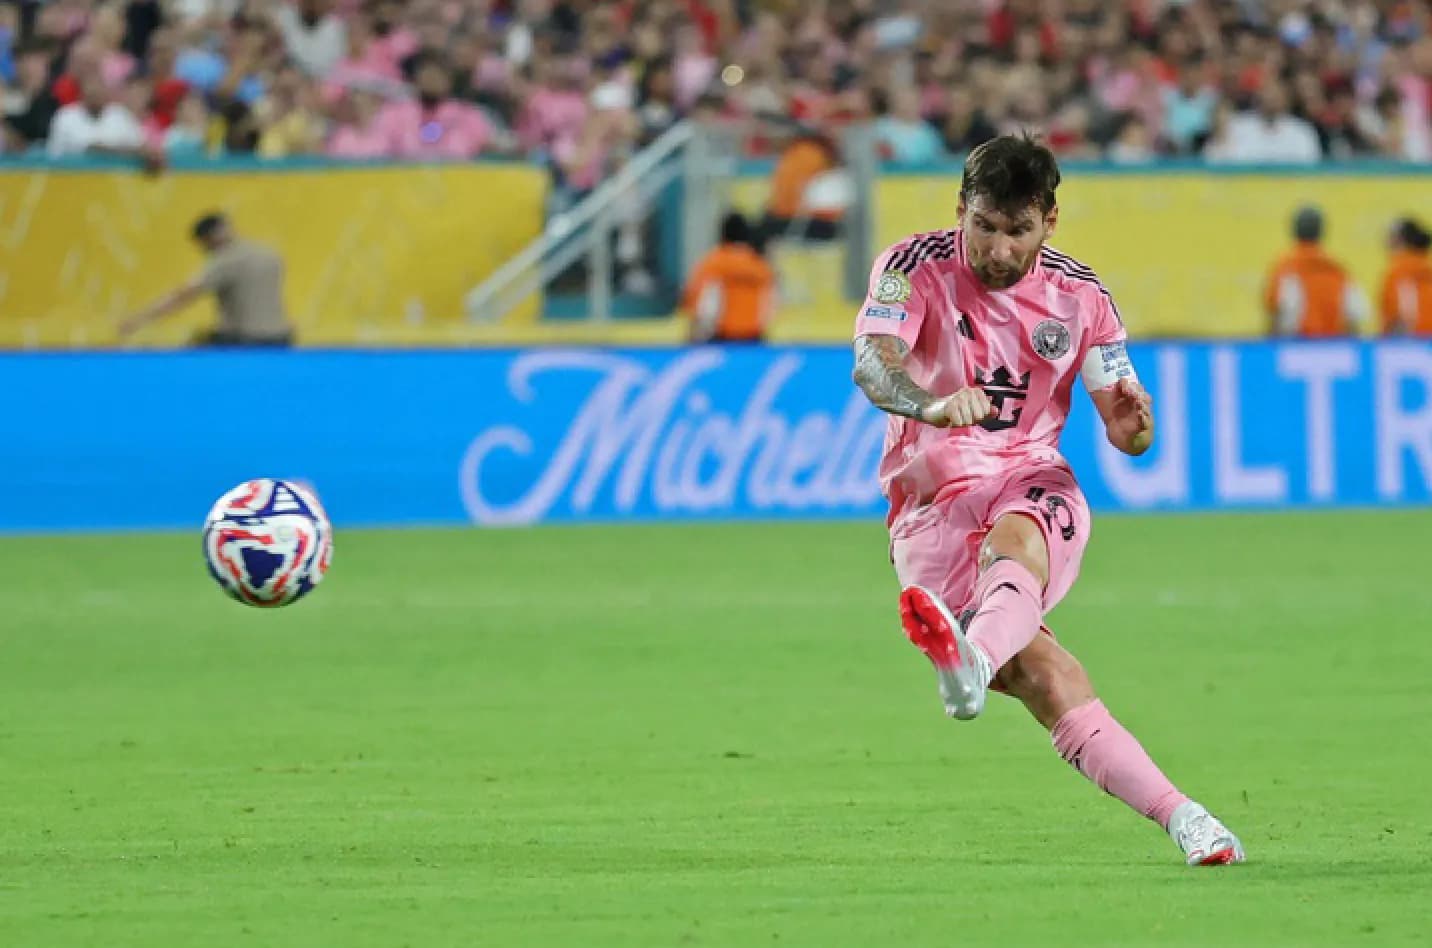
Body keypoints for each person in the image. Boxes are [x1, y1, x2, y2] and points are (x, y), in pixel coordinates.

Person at [850, 135, 1245, 867]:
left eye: (1017, 231)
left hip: (1031, 477)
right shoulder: (910, 268)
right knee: (1048, 679)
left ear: (1049, 223)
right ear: (961, 210)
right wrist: (930, 406)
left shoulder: (1083, 297)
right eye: (985, 226)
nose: (999, 250)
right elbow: (874, 367)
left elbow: (1127, 426)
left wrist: (1133, 423)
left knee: (1023, 534)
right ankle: (1186, 817)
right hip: (931, 505)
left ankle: (968, 657)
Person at [119, 213, 294, 346]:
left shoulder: (224, 259)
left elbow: (183, 296)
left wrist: (139, 320)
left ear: (209, 239)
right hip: (282, 337)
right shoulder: (269, 253)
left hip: (244, 340)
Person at [1262, 206, 1368, 337]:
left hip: (1296, 346)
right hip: (1333, 347)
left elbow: (1275, 314)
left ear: (1294, 231)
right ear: (1321, 232)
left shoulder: (1284, 267)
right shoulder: (1338, 270)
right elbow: (1353, 319)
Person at [681, 212, 776, 344]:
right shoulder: (760, 267)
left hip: (721, 339)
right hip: (754, 339)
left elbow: (700, 303)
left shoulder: (712, 263)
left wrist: (693, 336)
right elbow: (771, 305)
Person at [1380, 217, 1432, 335]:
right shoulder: (1427, 269)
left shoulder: (1399, 273)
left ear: (1398, 240)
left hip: (1411, 347)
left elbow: (1402, 317)